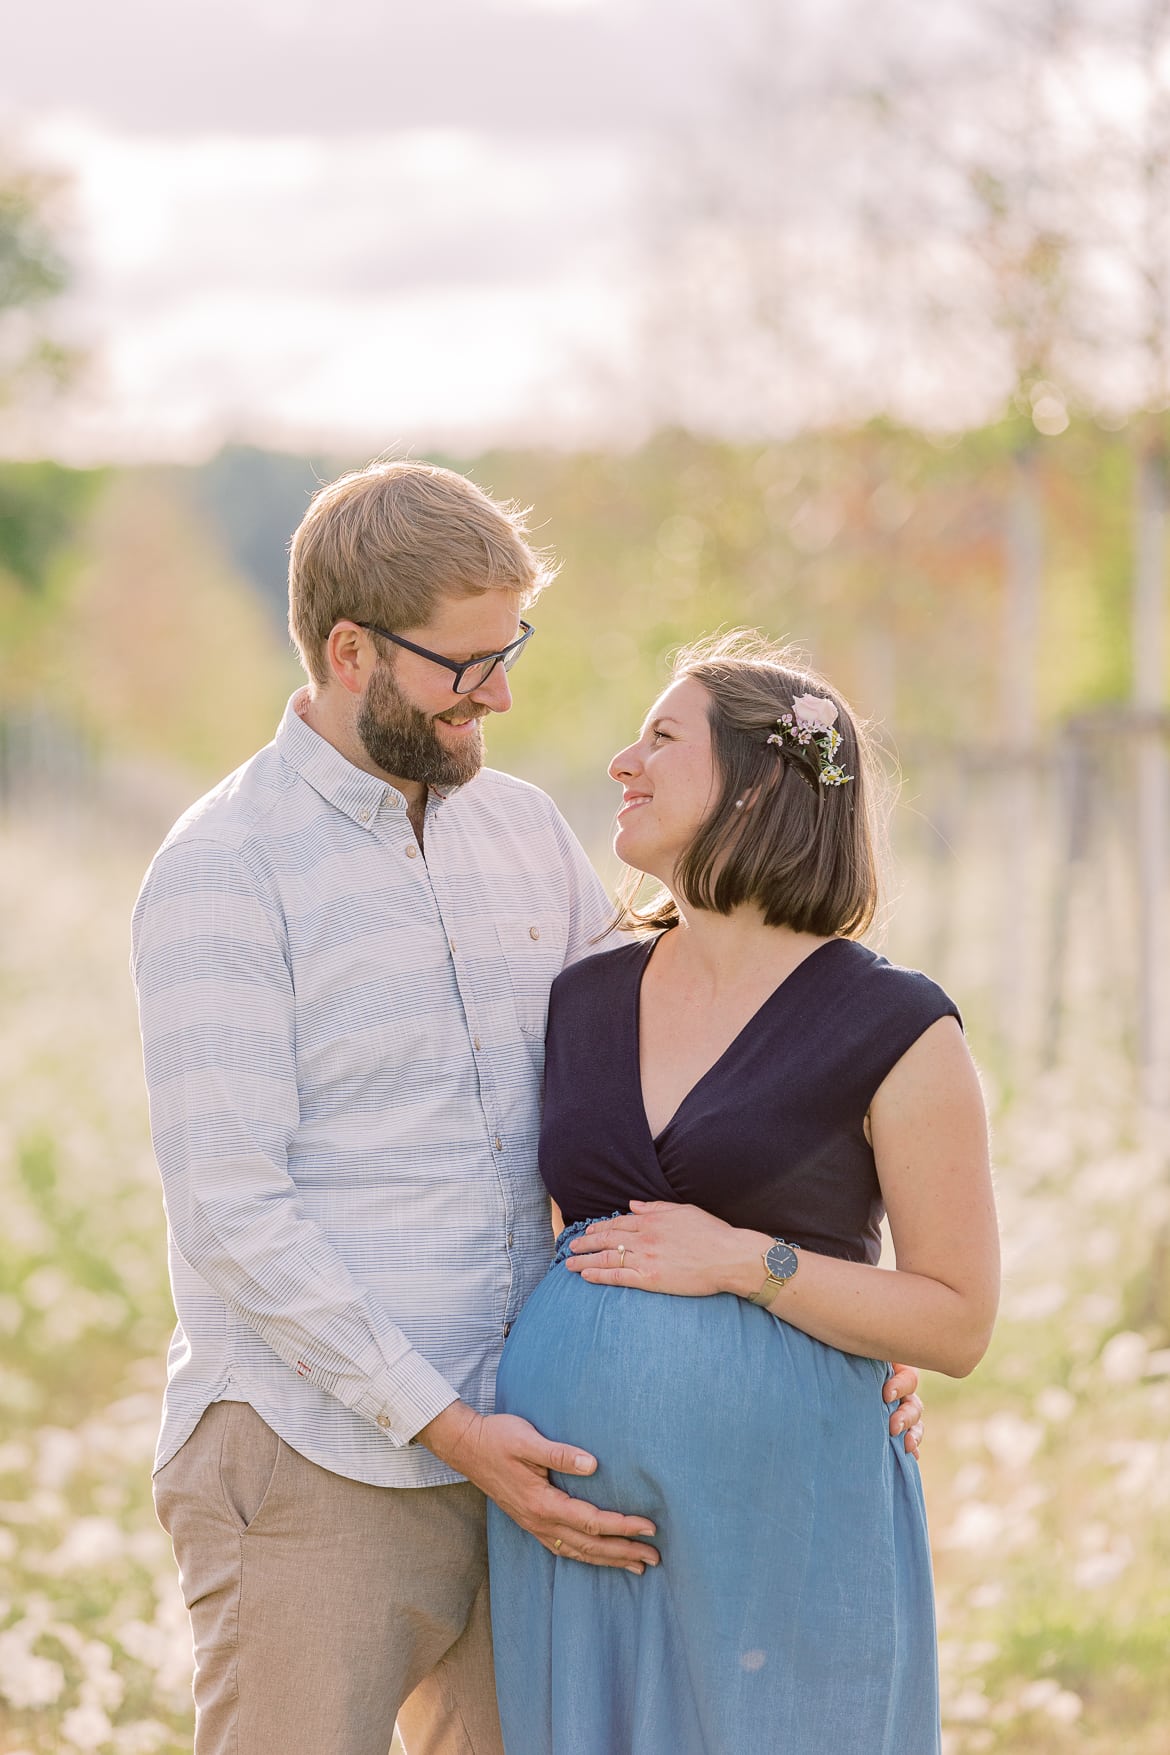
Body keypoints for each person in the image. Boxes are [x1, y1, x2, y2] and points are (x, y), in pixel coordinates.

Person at [130, 461, 925, 1755]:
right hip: (312, 1460)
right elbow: (232, 1211)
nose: (501, 689)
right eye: (465, 662)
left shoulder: (524, 835)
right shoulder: (224, 871)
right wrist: (447, 1425)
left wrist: (831, 1317)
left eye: (512, 648)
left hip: (540, 1463)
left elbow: (663, 1107)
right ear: (349, 651)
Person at [487, 633, 999, 1755]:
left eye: (662, 737)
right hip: (578, 1535)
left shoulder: (895, 1025)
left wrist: (746, 1265)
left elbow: (958, 1320)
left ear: (762, 782)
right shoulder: (582, 997)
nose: (624, 761)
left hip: (785, 1519)